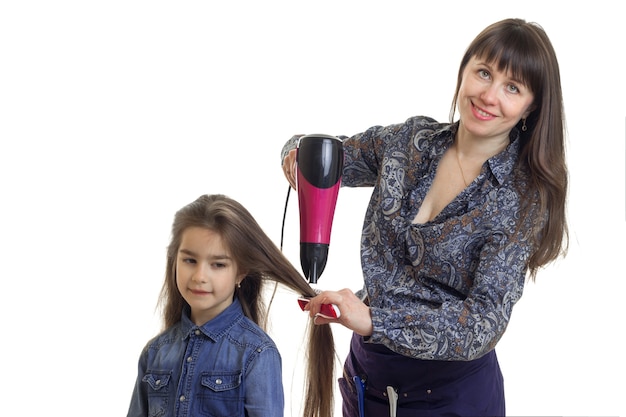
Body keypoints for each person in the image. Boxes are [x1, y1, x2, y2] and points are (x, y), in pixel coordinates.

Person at [280, 18, 568, 416]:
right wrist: (296, 157)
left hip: (450, 398)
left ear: (530, 107)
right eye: (483, 72)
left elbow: (481, 324)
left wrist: (374, 320)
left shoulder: (521, 200)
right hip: (367, 382)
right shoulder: (408, 142)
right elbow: (328, 152)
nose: (488, 95)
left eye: (512, 87)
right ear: (464, 69)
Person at [127, 194, 337, 417]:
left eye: (218, 264)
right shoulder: (155, 352)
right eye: (190, 260)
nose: (200, 276)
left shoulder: (257, 353)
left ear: (241, 272)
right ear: (174, 260)